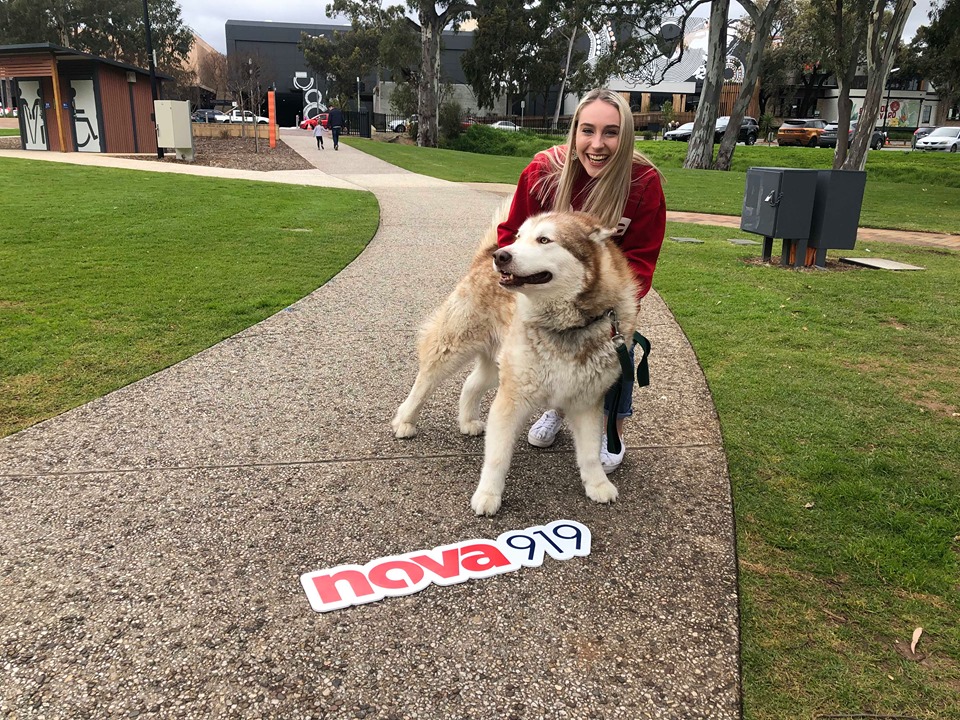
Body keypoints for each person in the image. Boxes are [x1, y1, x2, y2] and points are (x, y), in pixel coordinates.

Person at [496, 87, 666, 474]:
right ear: (574, 132)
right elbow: (510, 234)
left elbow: (641, 256)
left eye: (611, 132)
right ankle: (559, 409)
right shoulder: (542, 172)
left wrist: (611, 310)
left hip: (606, 293)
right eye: (587, 130)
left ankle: (613, 427)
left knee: (617, 349)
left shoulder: (643, 182)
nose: (597, 144)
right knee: (551, 351)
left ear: (626, 138)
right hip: (548, 287)